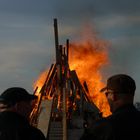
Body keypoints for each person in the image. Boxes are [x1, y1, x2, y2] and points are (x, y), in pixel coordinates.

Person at [80, 74, 140, 140]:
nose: (107, 97)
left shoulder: (104, 127)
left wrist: (92, 128)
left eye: (107, 94)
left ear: (113, 96)